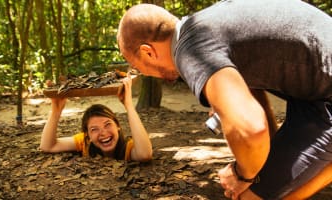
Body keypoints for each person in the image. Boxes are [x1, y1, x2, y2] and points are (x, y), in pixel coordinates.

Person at [117, 0, 332, 199]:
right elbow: (253, 94)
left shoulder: (190, 51)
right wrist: (265, 162)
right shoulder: (207, 24)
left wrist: (242, 175)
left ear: (148, 52)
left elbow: (251, 128)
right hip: (314, 94)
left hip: (323, 99)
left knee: (247, 195)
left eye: (137, 67)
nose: (143, 72)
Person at [40, 75, 153, 162]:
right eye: (94, 129)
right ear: (87, 136)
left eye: (108, 124)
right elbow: (48, 146)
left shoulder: (128, 148)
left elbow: (145, 155)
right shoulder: (84, 142)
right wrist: (56, 111)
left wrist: (128, 106)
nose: (103, 133)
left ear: (118, 126)